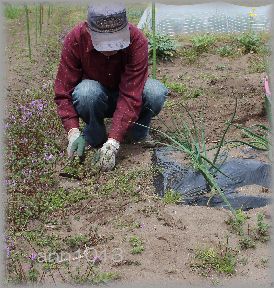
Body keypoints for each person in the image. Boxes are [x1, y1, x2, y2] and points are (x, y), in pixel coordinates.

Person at [54, 2, 168, 171]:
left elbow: (131, 94)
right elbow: (64, 91)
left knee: (155, 92)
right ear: (89, 30)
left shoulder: (137, 40)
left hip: (130, 95)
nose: (110, 50)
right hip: (96, 96)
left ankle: (138, 133)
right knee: (86, 93)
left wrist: (113, 142)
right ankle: (95, 134)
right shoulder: (76, 39)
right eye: (104, 43)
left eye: (116, 42)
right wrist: (73, 132)